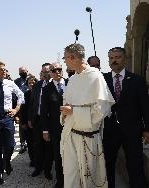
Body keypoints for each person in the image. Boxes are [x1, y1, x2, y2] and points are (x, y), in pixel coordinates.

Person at [60, 43, 115, 188]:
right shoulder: (72, 79)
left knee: (89, 179)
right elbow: (68, 103)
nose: (64, 61)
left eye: (65, 58)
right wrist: (66, 113)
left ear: (73, 57)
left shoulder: (96, 77)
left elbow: (102, 110)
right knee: (71, 176)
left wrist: (74, 112)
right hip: (70, 134)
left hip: (88, 137)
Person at [103, 47, 149, 188]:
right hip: (109, 131)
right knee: (107, 164)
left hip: (132, 131)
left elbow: (145, 107)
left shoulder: (137, 80)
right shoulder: (102, 81)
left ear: (125, 59)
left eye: (117, 57)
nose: (114, 60)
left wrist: (147, 129)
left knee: (135, 165)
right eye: (111, 58)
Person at [40, 62, 66, 188]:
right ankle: (61, 182)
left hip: (74, 126)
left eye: (59, 69)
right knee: (58, 155)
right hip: (56, 128)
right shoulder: (46, 89)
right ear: (50, 73)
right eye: (54, 70)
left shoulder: (71, 84)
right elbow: (44, 111)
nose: (57, 72)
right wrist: (45, 130)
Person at [28, 63, 53, 180]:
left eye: (47, 72)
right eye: (43, 72)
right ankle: (38, 168)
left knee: (49, 147)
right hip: (38, 120)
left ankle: (48, 170)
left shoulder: (55, 85)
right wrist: (30, 118)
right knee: (38, 145)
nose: (45, 74)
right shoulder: (37, 85)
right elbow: (32, 103)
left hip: (50, 121)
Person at [20, 75, 38, 167]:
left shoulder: (40, 93)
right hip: (27, 123)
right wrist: (23, 122)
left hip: (38, 123)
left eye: (33, 82)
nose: (32, 84)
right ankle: (33, 160)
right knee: (30, 143)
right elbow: (22, 110)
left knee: (38, 143)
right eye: (29, 82)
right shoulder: (26, 94)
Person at [14, 66, 29, 154]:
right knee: (21, 126)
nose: (22, 73)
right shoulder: (16, 82)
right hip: (21, 106)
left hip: (30, 106)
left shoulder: (32, 80)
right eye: (20, 72)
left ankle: (30, 143)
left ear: (27, 71)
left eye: (23, 71)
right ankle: (23, 144)